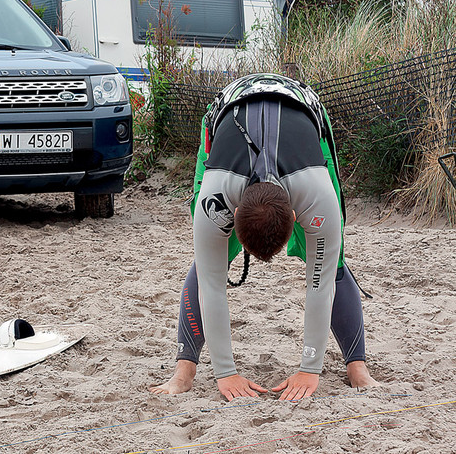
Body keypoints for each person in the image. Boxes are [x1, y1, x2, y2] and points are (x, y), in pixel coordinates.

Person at [149, 73, 379, 401]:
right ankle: (183, 372)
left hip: (302, 109)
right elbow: (211, 283)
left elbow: (321, 281)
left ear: (298, 216)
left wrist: (310, 368)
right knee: (207, 263)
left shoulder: (317, 196)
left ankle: (357, 367)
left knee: (332, 259)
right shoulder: (215, 198)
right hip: (227, 113)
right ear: (232, 215)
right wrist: (225, 374)